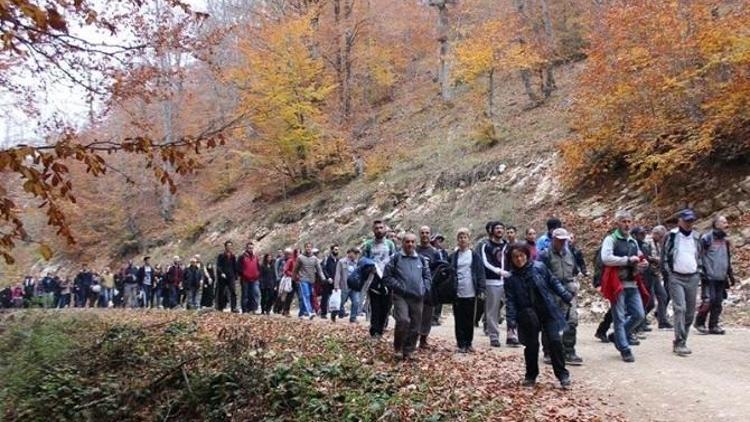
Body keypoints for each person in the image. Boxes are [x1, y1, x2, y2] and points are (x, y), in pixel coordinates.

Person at [506, 243, 573, 389]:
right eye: (515, 257)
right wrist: (510, 321)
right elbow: (510, 300)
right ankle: (531, 376)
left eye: (521, 255)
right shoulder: (511, 278)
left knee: (555, 342)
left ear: (527, 255)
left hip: (547, 309)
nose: (519, 259)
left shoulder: (539, 267)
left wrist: (566, 295)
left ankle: (563, 375)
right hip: (527, 315)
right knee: (531, 346)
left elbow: (553, 281)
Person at [600, 210, 648, 362]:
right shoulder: (610, 239)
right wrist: (627, 260)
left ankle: (617, 336)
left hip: (632, 282)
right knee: (619, 317)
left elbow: (639, 257)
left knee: (639, 314)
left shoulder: (633, 241)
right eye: (624, 221)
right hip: (617, 283)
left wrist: (643, 263)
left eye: (629, 222)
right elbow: (606, 258)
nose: (627, 225)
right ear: (618, 223)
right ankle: (624, 347)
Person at [538, 228, 583, 366]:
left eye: (564, 240)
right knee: (550, 322)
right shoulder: (545, 255)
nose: (562, 242)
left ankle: (569, 350)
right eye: (559, 240)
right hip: (551, 291)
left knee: (572, 320)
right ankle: (548, 352)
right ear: (553, 239)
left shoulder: (570, 253)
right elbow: (540, 275)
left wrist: (575, 285)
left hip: (569, 291)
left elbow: (574, 270)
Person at [383, 233, 432, 361]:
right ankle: (398, 348)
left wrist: (424, 288)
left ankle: (409, 351)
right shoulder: (396, 258)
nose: (410, 244)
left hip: (417, 296)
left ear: (416, 244)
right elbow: (387, 277)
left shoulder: (421, 259)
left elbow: (427, 276)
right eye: (407, 242)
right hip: (401, 296)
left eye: (412, 242)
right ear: (403, 243)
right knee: (403, 320)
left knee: (416, 325)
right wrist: (400, 288)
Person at [662, 209, 703, 356]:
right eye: (686, 220)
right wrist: (668, 273)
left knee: (690, 313)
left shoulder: (697, 237)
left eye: (691, 220)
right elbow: (665, 256)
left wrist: (699, 272)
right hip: (676, 277)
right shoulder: (671, 236)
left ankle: (682, 340)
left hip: (692, 277)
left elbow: (700, 255)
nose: (689, 223)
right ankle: (679, 341)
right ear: (679, 220)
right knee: (680, 308)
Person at [696, 215, 735, 335]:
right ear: (716, 224)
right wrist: (702, 271)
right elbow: (699, 255)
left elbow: (727, 258)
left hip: (721, 277)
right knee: (708, 301)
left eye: (726, 222)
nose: (726, 224)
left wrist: (730, 274)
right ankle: (699, 322)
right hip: (709, 276)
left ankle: (713, 325)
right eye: (723, 222)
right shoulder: (706, 238)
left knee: (718, 302)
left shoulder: (725, 240)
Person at [449, 228, 486, 353]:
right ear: (457, 240)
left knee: (469, 318)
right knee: (458, 318)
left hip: (471, 289)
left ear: (469, 239)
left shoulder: (474, 255)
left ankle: (469, 342)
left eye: (465, 237)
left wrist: (481, 288)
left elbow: (480, 272)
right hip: (457, 290)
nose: (462, 239)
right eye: (460, 237)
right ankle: (461, 344)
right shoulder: (454, 256)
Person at [475, 221, 511, 348]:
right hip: (492, 281)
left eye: (502, 228)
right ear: (492, 231)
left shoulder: (508, 246)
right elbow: (485, 262)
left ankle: (512, 334)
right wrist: (498, 271)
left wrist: (511, 273)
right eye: (497, 228)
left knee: (511, 307)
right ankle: (494, 336)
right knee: (492, 310)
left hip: (507, 281)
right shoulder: (486, 246)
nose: (499, 230)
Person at [362, 220, 397, 339]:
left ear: (385, 229)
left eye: (381, 228)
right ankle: (374, 331)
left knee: (386, 306)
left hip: (387, 278)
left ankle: (381, 329)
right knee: (375, 306)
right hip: (373, 279)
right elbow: (363, 260)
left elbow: (394, 259)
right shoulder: (368, 244)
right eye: (376, 228)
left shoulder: (390, 244)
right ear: (373, 230)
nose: (379, 230)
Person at [415, 226, 442, 349]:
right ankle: (412, 337)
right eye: (422, 233)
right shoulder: (414, 249)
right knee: (415, 313)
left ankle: (424, 339)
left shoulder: (435, 252)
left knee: (427, 314)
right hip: (414, 285)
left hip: (429, 287)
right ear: (419, 235)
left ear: (430, 235)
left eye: (427, 233)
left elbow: (439, 268)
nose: (424, 235)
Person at [648, 225, 672, 329]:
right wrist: (656, 260)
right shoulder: (647, 241)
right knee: (649, 301)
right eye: (661, 237)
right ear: (656, 234)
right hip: (647, 273)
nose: (662, 239)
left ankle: (662, 320)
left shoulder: (658, 243)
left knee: (663, 295)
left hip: (655, 273)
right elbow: (644, 256)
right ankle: (639, 320)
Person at [293, 242, 325, 320]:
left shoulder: (314, 259)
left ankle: (301, 313)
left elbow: (319, 270)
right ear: (305, 248)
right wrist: (294, 278)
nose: (308, 248)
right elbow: (295, 269)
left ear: (311, 248)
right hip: (303, 279)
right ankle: (310, 312)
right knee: (306, 294)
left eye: (310, 247)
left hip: (312, 280)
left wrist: (323, 278)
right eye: (307, 247)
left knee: (310, 295)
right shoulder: (300, 258)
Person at [334, 247, 361, 323]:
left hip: (354, 286)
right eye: (354, 253)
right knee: (341, 302)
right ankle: (334, 313)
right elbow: (338, 274)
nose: (355, 255)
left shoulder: (357, 263)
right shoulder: (341, 262)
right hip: (344, 286)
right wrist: (336, 285)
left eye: (357, 254)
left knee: (356, 301)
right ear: (350, 253)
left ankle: (353, 317)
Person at [238, 241, 262, 314]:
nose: (250, 249)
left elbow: (258, 266)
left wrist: (258, 274)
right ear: (246, 248)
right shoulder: (242, 257)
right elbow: (238, 267)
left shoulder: (255, 257)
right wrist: (243, 274)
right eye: (249, 248)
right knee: (245, 294)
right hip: (245, 279)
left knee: (254, 294)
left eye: (252, 248)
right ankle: (245, 310)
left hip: (254, 279)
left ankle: (253, 309)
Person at [430, 233, 449, 326]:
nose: (439, 242)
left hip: (442, 277)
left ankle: (436, 317)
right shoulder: (431, 251)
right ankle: (431, 317)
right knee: (433, 297)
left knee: (440, 298)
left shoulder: (444, 252)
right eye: (438, 240)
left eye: (441, 241)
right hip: (433, 276)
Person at [216, 241, 239, 313]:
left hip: (231, 276)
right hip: (222, 276)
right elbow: (218, 266)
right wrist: (221, 273)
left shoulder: (233, 256)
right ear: (225, 247)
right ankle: (220, 307)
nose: (229, 247)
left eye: (230, 246)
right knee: (221, 292)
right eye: (228, 246)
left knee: (233, 292)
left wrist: (236, 275)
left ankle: (233, 307)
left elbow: (235, 266)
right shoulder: (221, 256)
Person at [321, 245, 339, 319]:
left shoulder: (338, 260)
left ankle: (334, 312)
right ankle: (323, 313)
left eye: (337, 249)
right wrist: (328, 277)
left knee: (335, 296)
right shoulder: (327, 259)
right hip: (327, 281)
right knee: (325, 297)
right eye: (335, 249)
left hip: (335, 281)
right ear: (331, 250)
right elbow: (323, 269)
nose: (337, 251)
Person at [280, 249, 299, 316]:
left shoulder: (299, 261)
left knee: (297, 296)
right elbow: (285, 270)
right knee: (289, 296)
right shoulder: (290, 261)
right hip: (290, 280)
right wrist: (292, 274)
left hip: (297, 280)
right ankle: (286, 310)